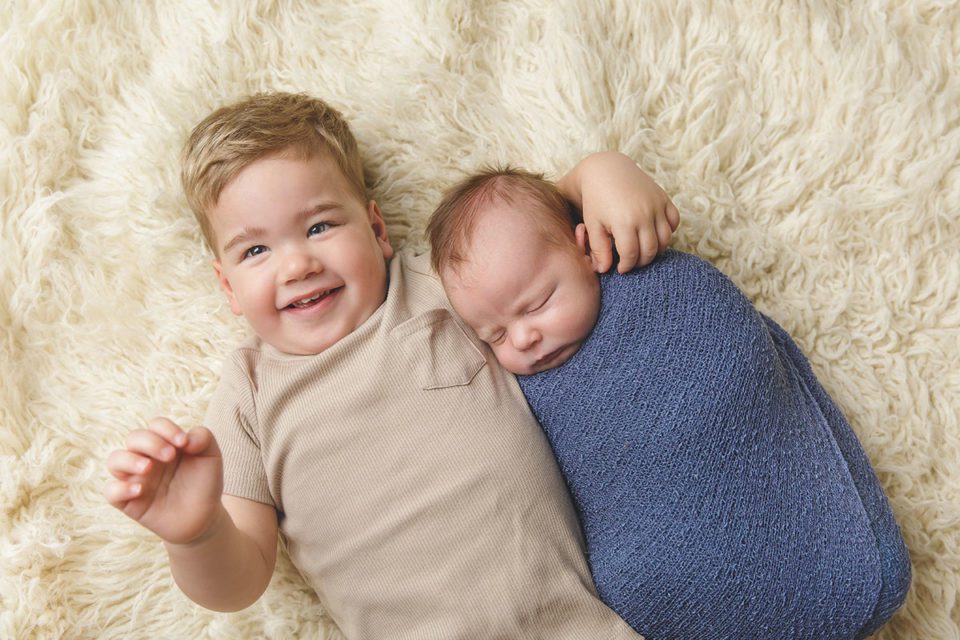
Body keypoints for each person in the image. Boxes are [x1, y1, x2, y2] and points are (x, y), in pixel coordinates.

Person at [103, 92, 681, 639]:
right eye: (256, 250)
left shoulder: (436, 282)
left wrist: (598, 173)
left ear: (377, 230)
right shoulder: (250, 393)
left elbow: (530, 226)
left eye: (320, 226)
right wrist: (198, 533)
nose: (297, 265)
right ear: (228, 286)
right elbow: (240, 582)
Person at [427, 166, 912, 640]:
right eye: (495, 335)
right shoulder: (524, 390)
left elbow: (733, 369)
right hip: (656, 558)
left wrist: (600, 171)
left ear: (584, 247)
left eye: (537, 304)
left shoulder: (650, 283)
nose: (524, 338)